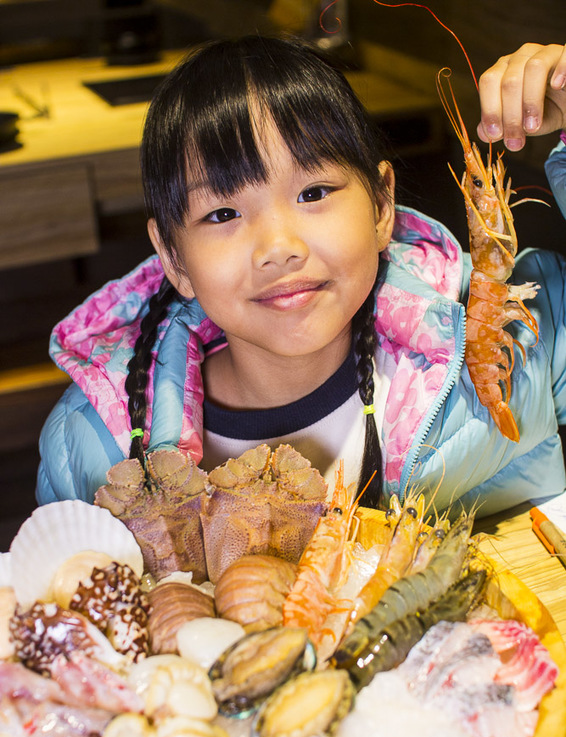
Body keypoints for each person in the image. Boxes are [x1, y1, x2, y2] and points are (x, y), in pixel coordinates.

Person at [36, 37, 566, 517]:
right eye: (223, 214)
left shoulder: (521, 335)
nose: (279, 248)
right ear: (173, 258)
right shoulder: (91, 446)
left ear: (382, 206)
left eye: (313, 193)